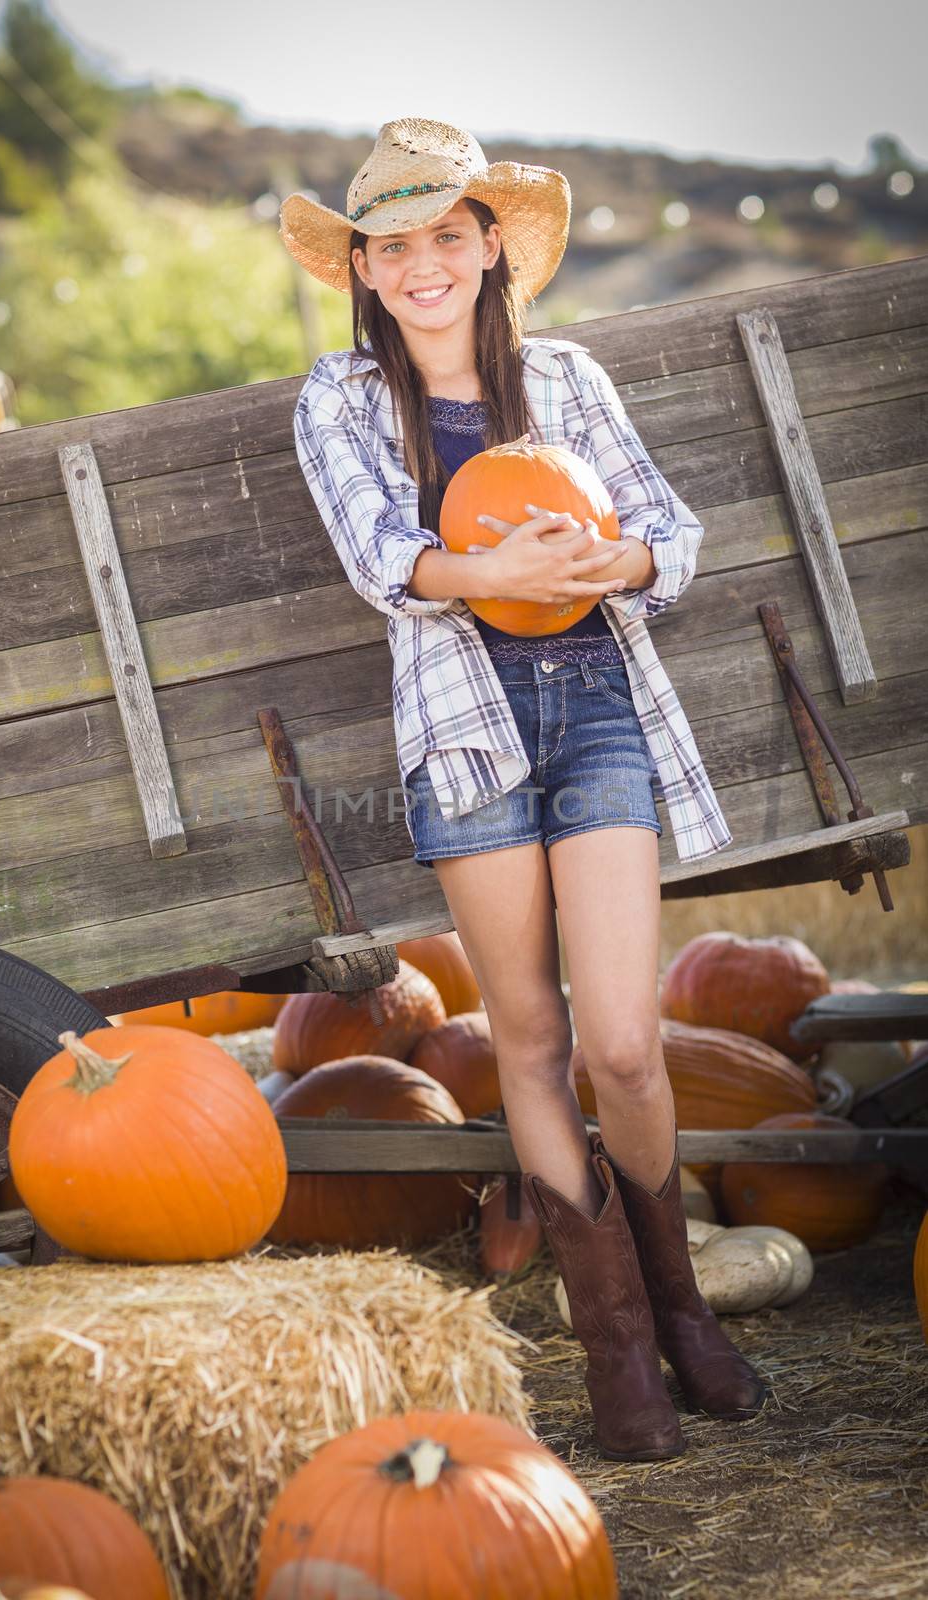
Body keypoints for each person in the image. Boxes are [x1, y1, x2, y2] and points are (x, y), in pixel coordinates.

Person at [280, 116, 765, 1462]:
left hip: (596, 712)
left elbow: (666, 533)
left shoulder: (568, 378)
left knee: (624, 1039)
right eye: (395, 243)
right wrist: (500, 573)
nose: (425, 262)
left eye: (449, 233)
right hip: (467, 734)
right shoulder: (339, 400)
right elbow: (386, 559)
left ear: (492, 247)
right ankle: (616, 1352)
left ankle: (690, 1318)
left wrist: (600, 565)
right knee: (532, 1038)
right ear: (366, 270)